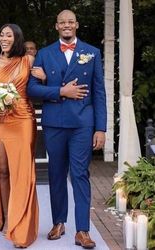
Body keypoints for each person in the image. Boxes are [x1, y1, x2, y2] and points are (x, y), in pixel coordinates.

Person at [27, 9, 107, 249]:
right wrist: (60, 90)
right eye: (62, 22)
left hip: (83, 124)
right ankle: (58, 223)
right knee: (56, 174)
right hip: (54, 124)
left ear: (77, 25)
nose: (66, 25)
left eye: (70, 21)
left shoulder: (92, 53)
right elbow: (31, 90)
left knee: (80, 174)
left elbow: (99, 93)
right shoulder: (44, 53)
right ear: (56, 26)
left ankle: (82, 230)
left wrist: (101, 128)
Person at [0, 23, 39, 248]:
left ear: (17, 39)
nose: (4, 38)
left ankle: (20, 223)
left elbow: (41, 85)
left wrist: (42, 77)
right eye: (2, 34)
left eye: (9, 35)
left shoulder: (29, 61)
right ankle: (6, 218)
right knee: (3, 170)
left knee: (21, 171)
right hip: (0, 119)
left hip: (23, 119)